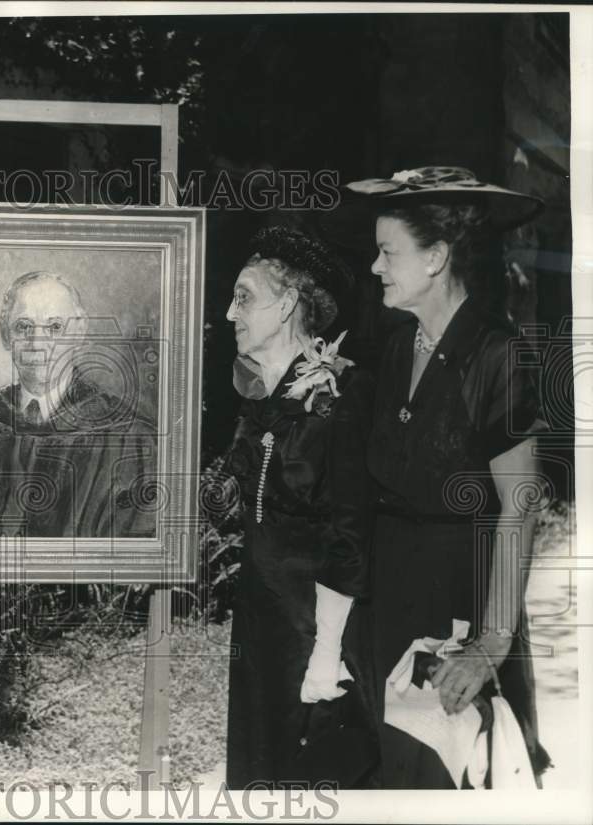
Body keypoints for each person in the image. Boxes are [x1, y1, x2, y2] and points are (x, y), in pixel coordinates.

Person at [344, 165, 550, 788]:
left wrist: (491, 642)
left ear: (435, 258)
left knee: (448, 774)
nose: (376, 267)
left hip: (457, 598)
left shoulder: (495, 355)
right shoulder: (392, 342)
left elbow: (521, 506)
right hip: (386, 597)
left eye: (388, 253)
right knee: (385, 768)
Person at [223, 227, 377, 789]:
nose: (228, 312)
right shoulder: (259, 397)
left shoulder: (342, 393)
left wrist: (326, 653)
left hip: (316, 635)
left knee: (311, 781)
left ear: (287, 304)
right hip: (261, 628)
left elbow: (351, 532)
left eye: (244, 297)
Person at [0, 270, 157, 538]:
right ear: (5, 334)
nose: (37, 343)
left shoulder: (128, 436)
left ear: (79, 332)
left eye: (55, 327)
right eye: (23, 327)